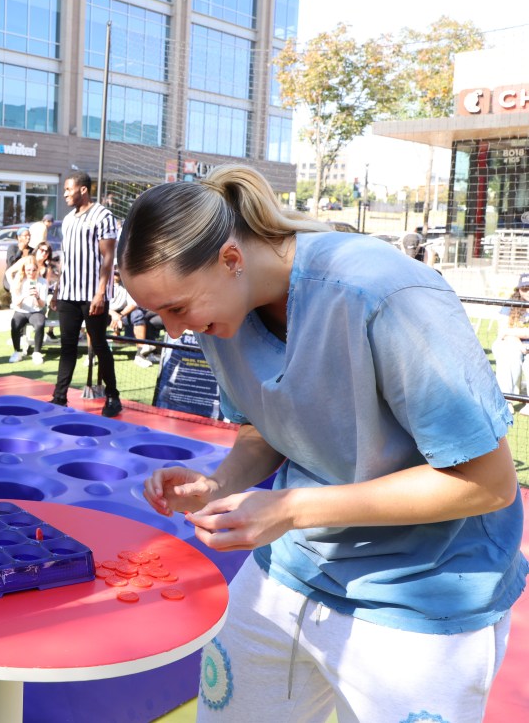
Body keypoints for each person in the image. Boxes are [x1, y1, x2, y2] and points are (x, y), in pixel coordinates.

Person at [118, 165, 526, 723]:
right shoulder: (221, 314)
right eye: (160, 313)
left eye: (177, 308)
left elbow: (488, 483)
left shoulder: (384, 293)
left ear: (231, 260)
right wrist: (218, 483)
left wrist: (290, 508)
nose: (171, 331)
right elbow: (265, 425)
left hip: (424, 595)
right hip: (291, 569)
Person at [51, 173, 122, 417]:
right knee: (67, 346)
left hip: (93, 295)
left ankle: (112, 396)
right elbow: (67, 259)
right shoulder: (68, 219)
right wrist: (57, 289)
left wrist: (101, 293)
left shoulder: (103, 215)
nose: (65, 194)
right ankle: (59, 397)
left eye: (68, 189)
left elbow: (108, 257)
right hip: (68, 294)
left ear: (83, 189)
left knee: (100, 345)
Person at [493, 273, 529, 414]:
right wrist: (517, 341)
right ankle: (506, 401)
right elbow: (502, 331)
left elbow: (508, 331)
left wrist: (513, 333)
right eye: (524, 288)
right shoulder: (511, 304)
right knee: (509, 354)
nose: (528, 292)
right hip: (511, 343)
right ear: (519, 289)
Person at [9, 259, 49, 364]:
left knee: (40, 324)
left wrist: (37, 297)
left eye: (34, 270)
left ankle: (37, 353)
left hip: (36, 311)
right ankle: (17, 351)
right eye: (28, 270)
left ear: (37, 269)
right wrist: (24, 295)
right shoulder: (18, 281)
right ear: (24, 270)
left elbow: (42, 305)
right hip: (21, 310)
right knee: (15, 324)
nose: (31, 273)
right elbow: (16, 304)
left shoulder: (43, 282)